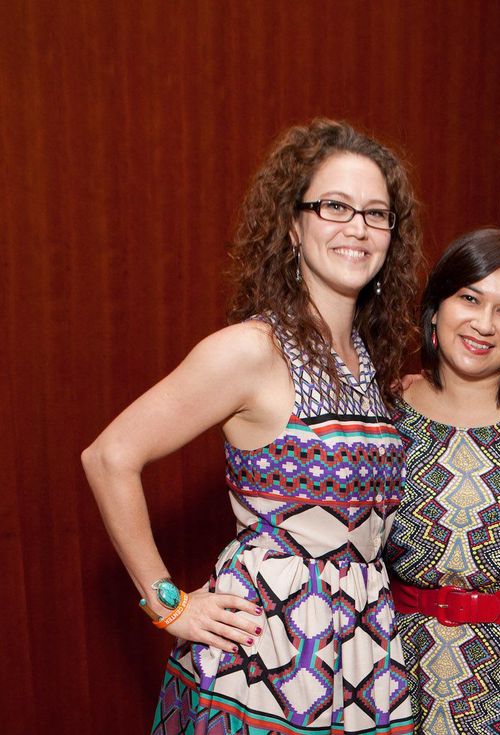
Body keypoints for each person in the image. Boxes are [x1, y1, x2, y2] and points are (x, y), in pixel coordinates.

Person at [82, 119, 421, 734]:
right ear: (293, 226)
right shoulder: (251, 350)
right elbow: (109, 457)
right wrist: (169, 605)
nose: (358, 227)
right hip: (266, 660)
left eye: (377, 213)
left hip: (365, 653)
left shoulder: (369, 359)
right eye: (335, 206)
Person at [384, 229, 500, 734]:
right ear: (435, 307)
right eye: (469, 298)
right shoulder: (383, 414)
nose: (484, 324)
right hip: (394, 679)